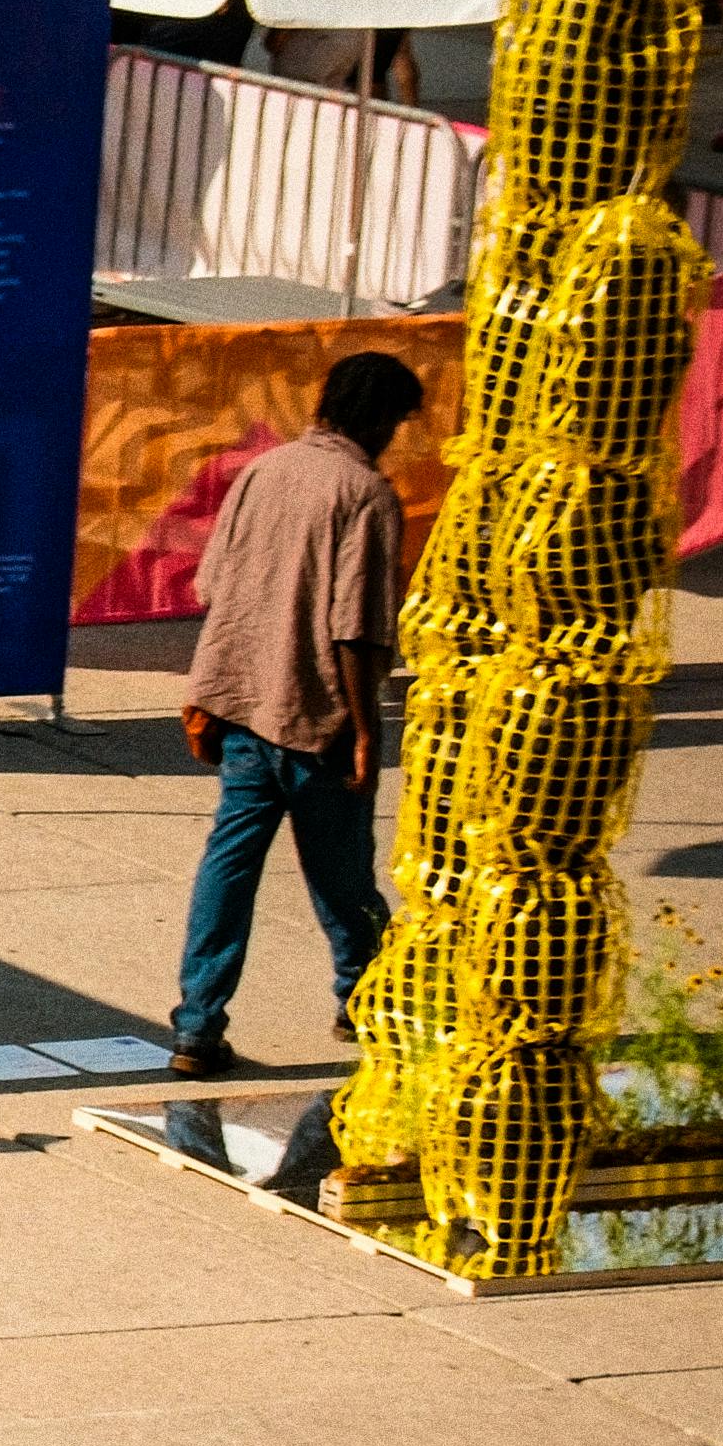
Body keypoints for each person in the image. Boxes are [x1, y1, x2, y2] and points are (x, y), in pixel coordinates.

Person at [169, 346, 413, 1075]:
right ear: (378, 419)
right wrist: (367, 733)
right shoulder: (365, 493)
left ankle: (196, 1029)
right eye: (399, 420)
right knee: (344, 877)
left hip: (242, 708)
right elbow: (357, 626)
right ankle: (367, 1004)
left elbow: (214, 584)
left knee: (228, 869)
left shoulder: (262, 470)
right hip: (318, 720)